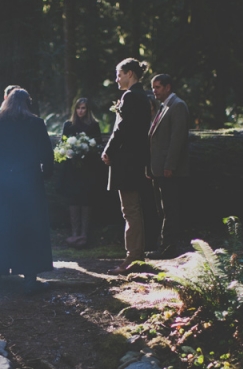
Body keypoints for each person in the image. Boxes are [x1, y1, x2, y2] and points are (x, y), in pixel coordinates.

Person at [0, 88, 54, 295]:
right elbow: (47, 155)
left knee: (0, 227)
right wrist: (44, 176)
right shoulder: (36, 124)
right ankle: (30, 278)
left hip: (4, 182)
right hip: (29, 182)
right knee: (29, 227)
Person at [101, 58, 152, 275]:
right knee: (134, 209)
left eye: (119, 74)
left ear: (130, 73)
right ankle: (136, 254)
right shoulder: (143, 97)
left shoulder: (131, 96)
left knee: (130, 209)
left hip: (127, 160)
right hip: (137, 158)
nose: (116, 79)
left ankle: (133, 258)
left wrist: (108, 150)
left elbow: (121, 129)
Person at [147, 73, 190, 258]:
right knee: (163, 209)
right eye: (153, 87)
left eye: (157, 87)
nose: (154, 91)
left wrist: (169, 166)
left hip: (169, 169)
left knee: (170, 209)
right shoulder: (163, 107)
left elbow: (177, 139)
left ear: (167, 87)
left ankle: (168, 249)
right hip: (158, 168)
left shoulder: (178, 106)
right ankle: (164, 246)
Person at [60, 98, 102, 248]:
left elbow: (97, 145)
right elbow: (63, 144)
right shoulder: (69, 125)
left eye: (83, 108)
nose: (80, 111)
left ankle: (84, 234)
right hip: (72, 169)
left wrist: (86, 151)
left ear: (88, 110)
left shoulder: (93, 125)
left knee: (86, 200)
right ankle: (75, 233)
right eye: (78, 108)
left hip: (88, 168)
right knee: (73, 200)